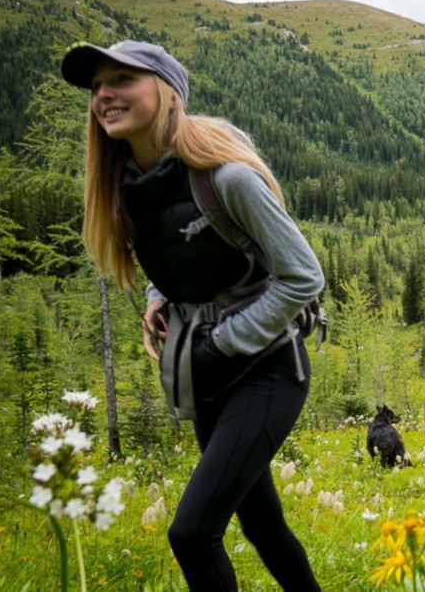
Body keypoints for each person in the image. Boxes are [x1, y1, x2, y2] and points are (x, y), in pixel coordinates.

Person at [60, 40, 323, 591]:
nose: (104, 94)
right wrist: (160, 293)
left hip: (268, 367)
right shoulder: (128, 186)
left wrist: (226, 340)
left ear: (167, 91)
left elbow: (303, 276)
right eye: (96, 87)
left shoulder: (226, 176)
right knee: (262, 524)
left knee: (191, 532)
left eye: (122, 80)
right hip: (204, 372)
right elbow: (176, 253)